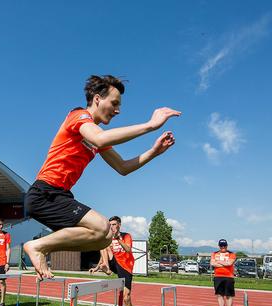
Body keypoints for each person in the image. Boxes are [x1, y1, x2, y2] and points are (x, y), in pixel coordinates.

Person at [23, 75, 180, 279]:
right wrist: (150, 125)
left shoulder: (98, 138)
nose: (118, 110)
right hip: (44, 192)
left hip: (60, 195)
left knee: (103, 238)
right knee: (102, 226)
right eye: (114, 103)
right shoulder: (78, 116)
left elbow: (122, 167)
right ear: (97, 99)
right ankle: (37, 246)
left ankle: (42, 248)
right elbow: (99, 137)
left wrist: (154, 151)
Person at [90, 216, 136, 306]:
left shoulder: (126, 236)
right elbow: (103, 252)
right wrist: (96, 267)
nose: (112, 227)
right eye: (110, 225)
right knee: (103, 243)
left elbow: (128, 249)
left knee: (127, 297)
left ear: (119, 225)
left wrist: (118, 239)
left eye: (114, 224)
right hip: (114, 262)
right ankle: (107, 268)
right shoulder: (109, 237)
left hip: (125, 267)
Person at [211, 239, 237, 306]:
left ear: (227, 246)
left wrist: (218, 262)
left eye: (224, 245)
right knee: (220, 295)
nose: (223, 247)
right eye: (221, 246)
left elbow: (230, 263)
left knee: (229, 296)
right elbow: (212, 263)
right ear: (219, 246)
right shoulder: (214, 254)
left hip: (229, 277)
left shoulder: (231, 254)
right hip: (218, 276)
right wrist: (225, 264)